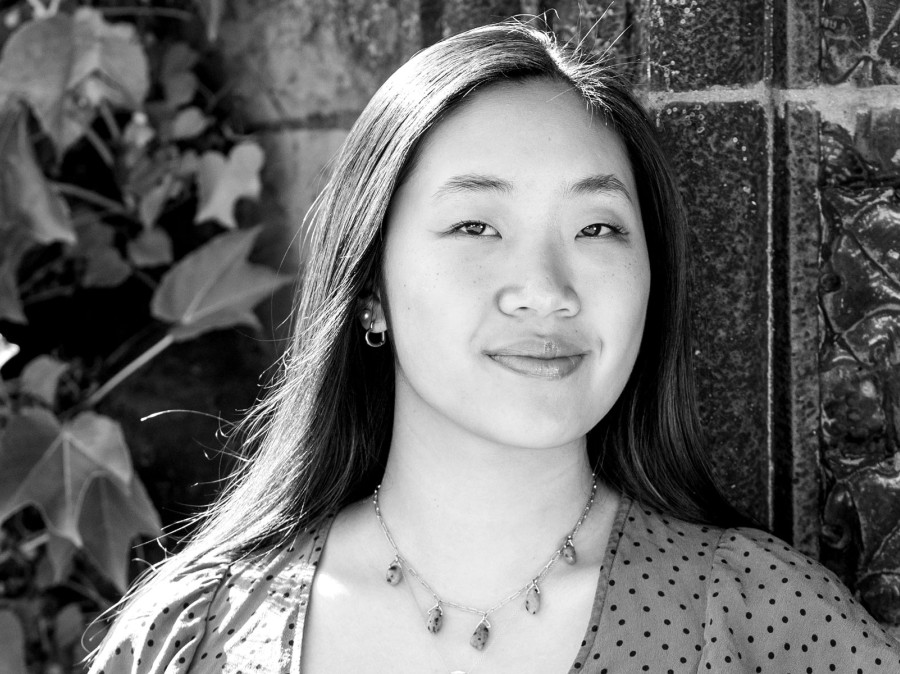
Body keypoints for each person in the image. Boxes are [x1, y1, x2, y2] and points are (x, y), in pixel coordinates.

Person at [88, 20, 899, 674]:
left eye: (597, 228)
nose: (546, 288)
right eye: (477, 225)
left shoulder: (757, 619)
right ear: (369, 285)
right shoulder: (192, 638)